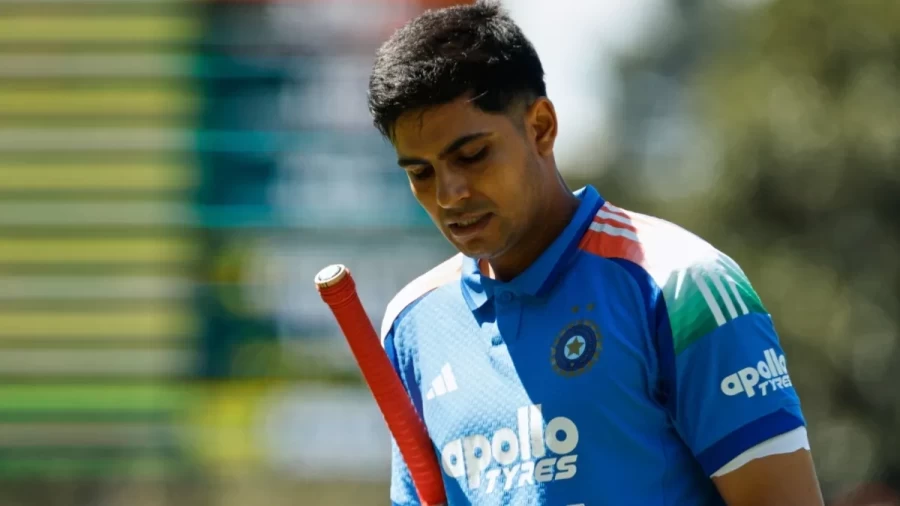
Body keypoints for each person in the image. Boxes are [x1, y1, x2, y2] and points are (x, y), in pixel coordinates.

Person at [368, 1, 824, 505]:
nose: (449, 194)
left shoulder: (682, 285)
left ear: (541, 127)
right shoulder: (412, 324)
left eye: (472, 156)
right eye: (421, 173)